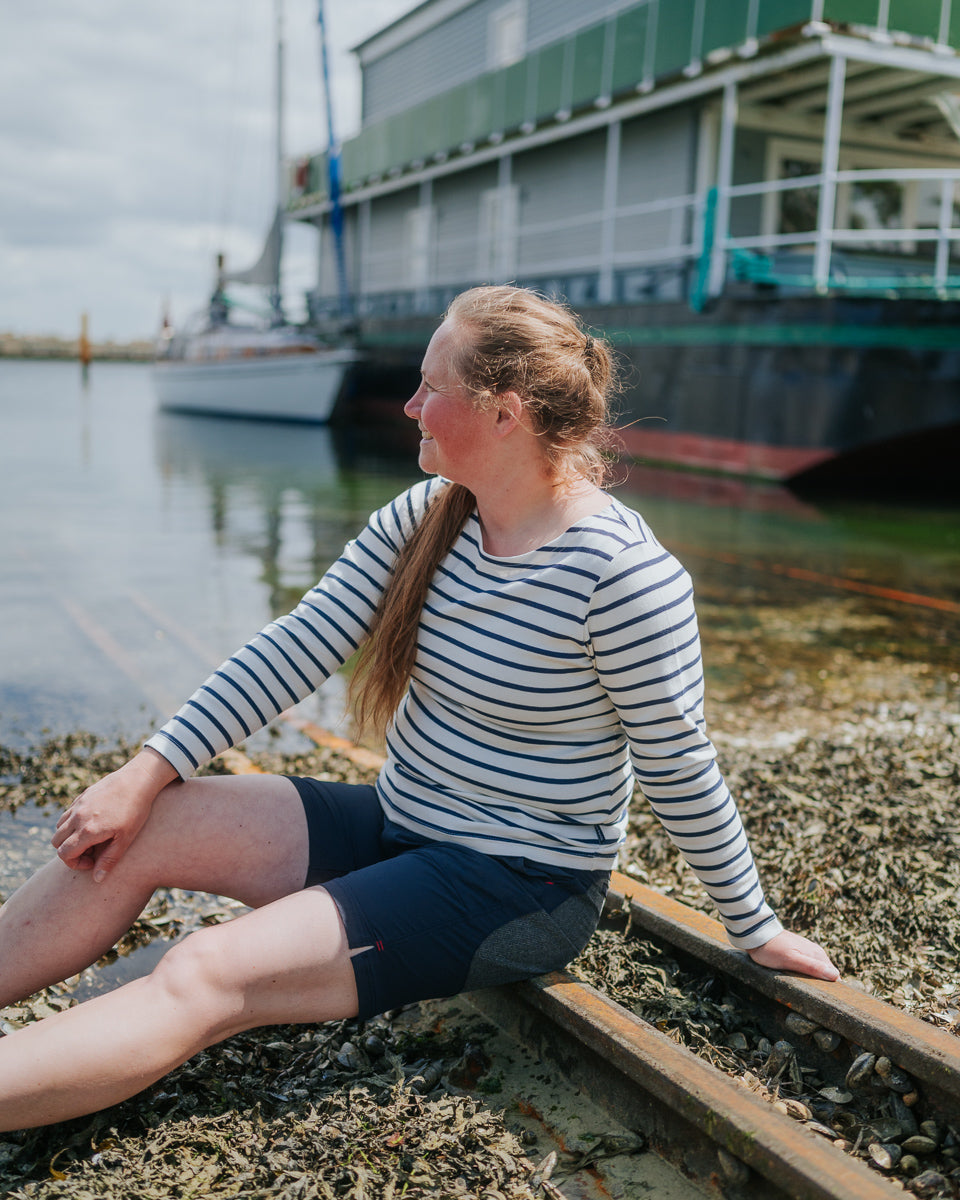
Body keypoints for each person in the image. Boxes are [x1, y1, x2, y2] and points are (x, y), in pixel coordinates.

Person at [0, 285, 838, 1131]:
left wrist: (752, 926)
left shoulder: (620, 577)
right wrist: (143, 774)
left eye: (431, 386)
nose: (409, 405)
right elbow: (295, 648)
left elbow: (677, 761)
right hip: (402, 829)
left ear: (505, 414)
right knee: (129, 830)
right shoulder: (427, 518)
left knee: (205, 970)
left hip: (516, 887)